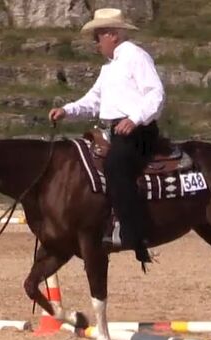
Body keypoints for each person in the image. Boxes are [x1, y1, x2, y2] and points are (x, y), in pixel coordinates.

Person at [48, 8, 165, 266]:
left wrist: (134, 118)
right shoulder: (109, 68)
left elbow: (155, 93)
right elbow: (93, 100)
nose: (95, 43)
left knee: (115, 165)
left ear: (112, 34)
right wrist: (67, 110)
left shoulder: (136, 56)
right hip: (115, 130)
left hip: (138, 131)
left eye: (98, 36)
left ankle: (131, 232)